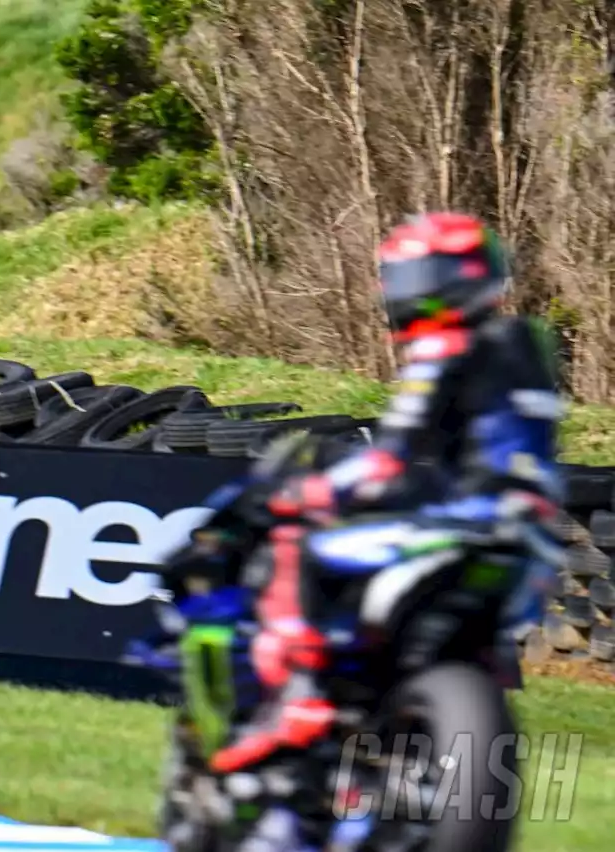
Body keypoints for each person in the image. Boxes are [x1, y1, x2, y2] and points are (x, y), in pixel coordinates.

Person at [206, 212, 566, 779]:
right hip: (532, 535)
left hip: (466, 517)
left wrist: (315, 487)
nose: (401, 294)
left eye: (412, 277)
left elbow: (390, 452)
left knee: (302, 546)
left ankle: (299, 695)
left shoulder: (448, 348)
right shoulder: (531, 346)